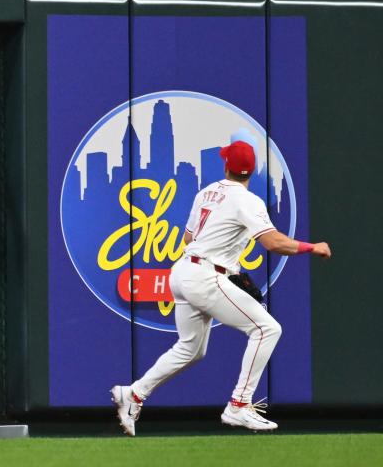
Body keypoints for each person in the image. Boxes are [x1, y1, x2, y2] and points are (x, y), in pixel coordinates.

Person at [111, 140, 331, 434]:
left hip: (183, 272)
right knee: (267, 329)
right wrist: (311, 246)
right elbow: (273, 242)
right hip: (205, 276)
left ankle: (133, 394)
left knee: (191, 349)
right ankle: (239, 405)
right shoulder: (248, 201)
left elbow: (189, 239)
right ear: (251, 172)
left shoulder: (206, 192)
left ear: (226, 166)